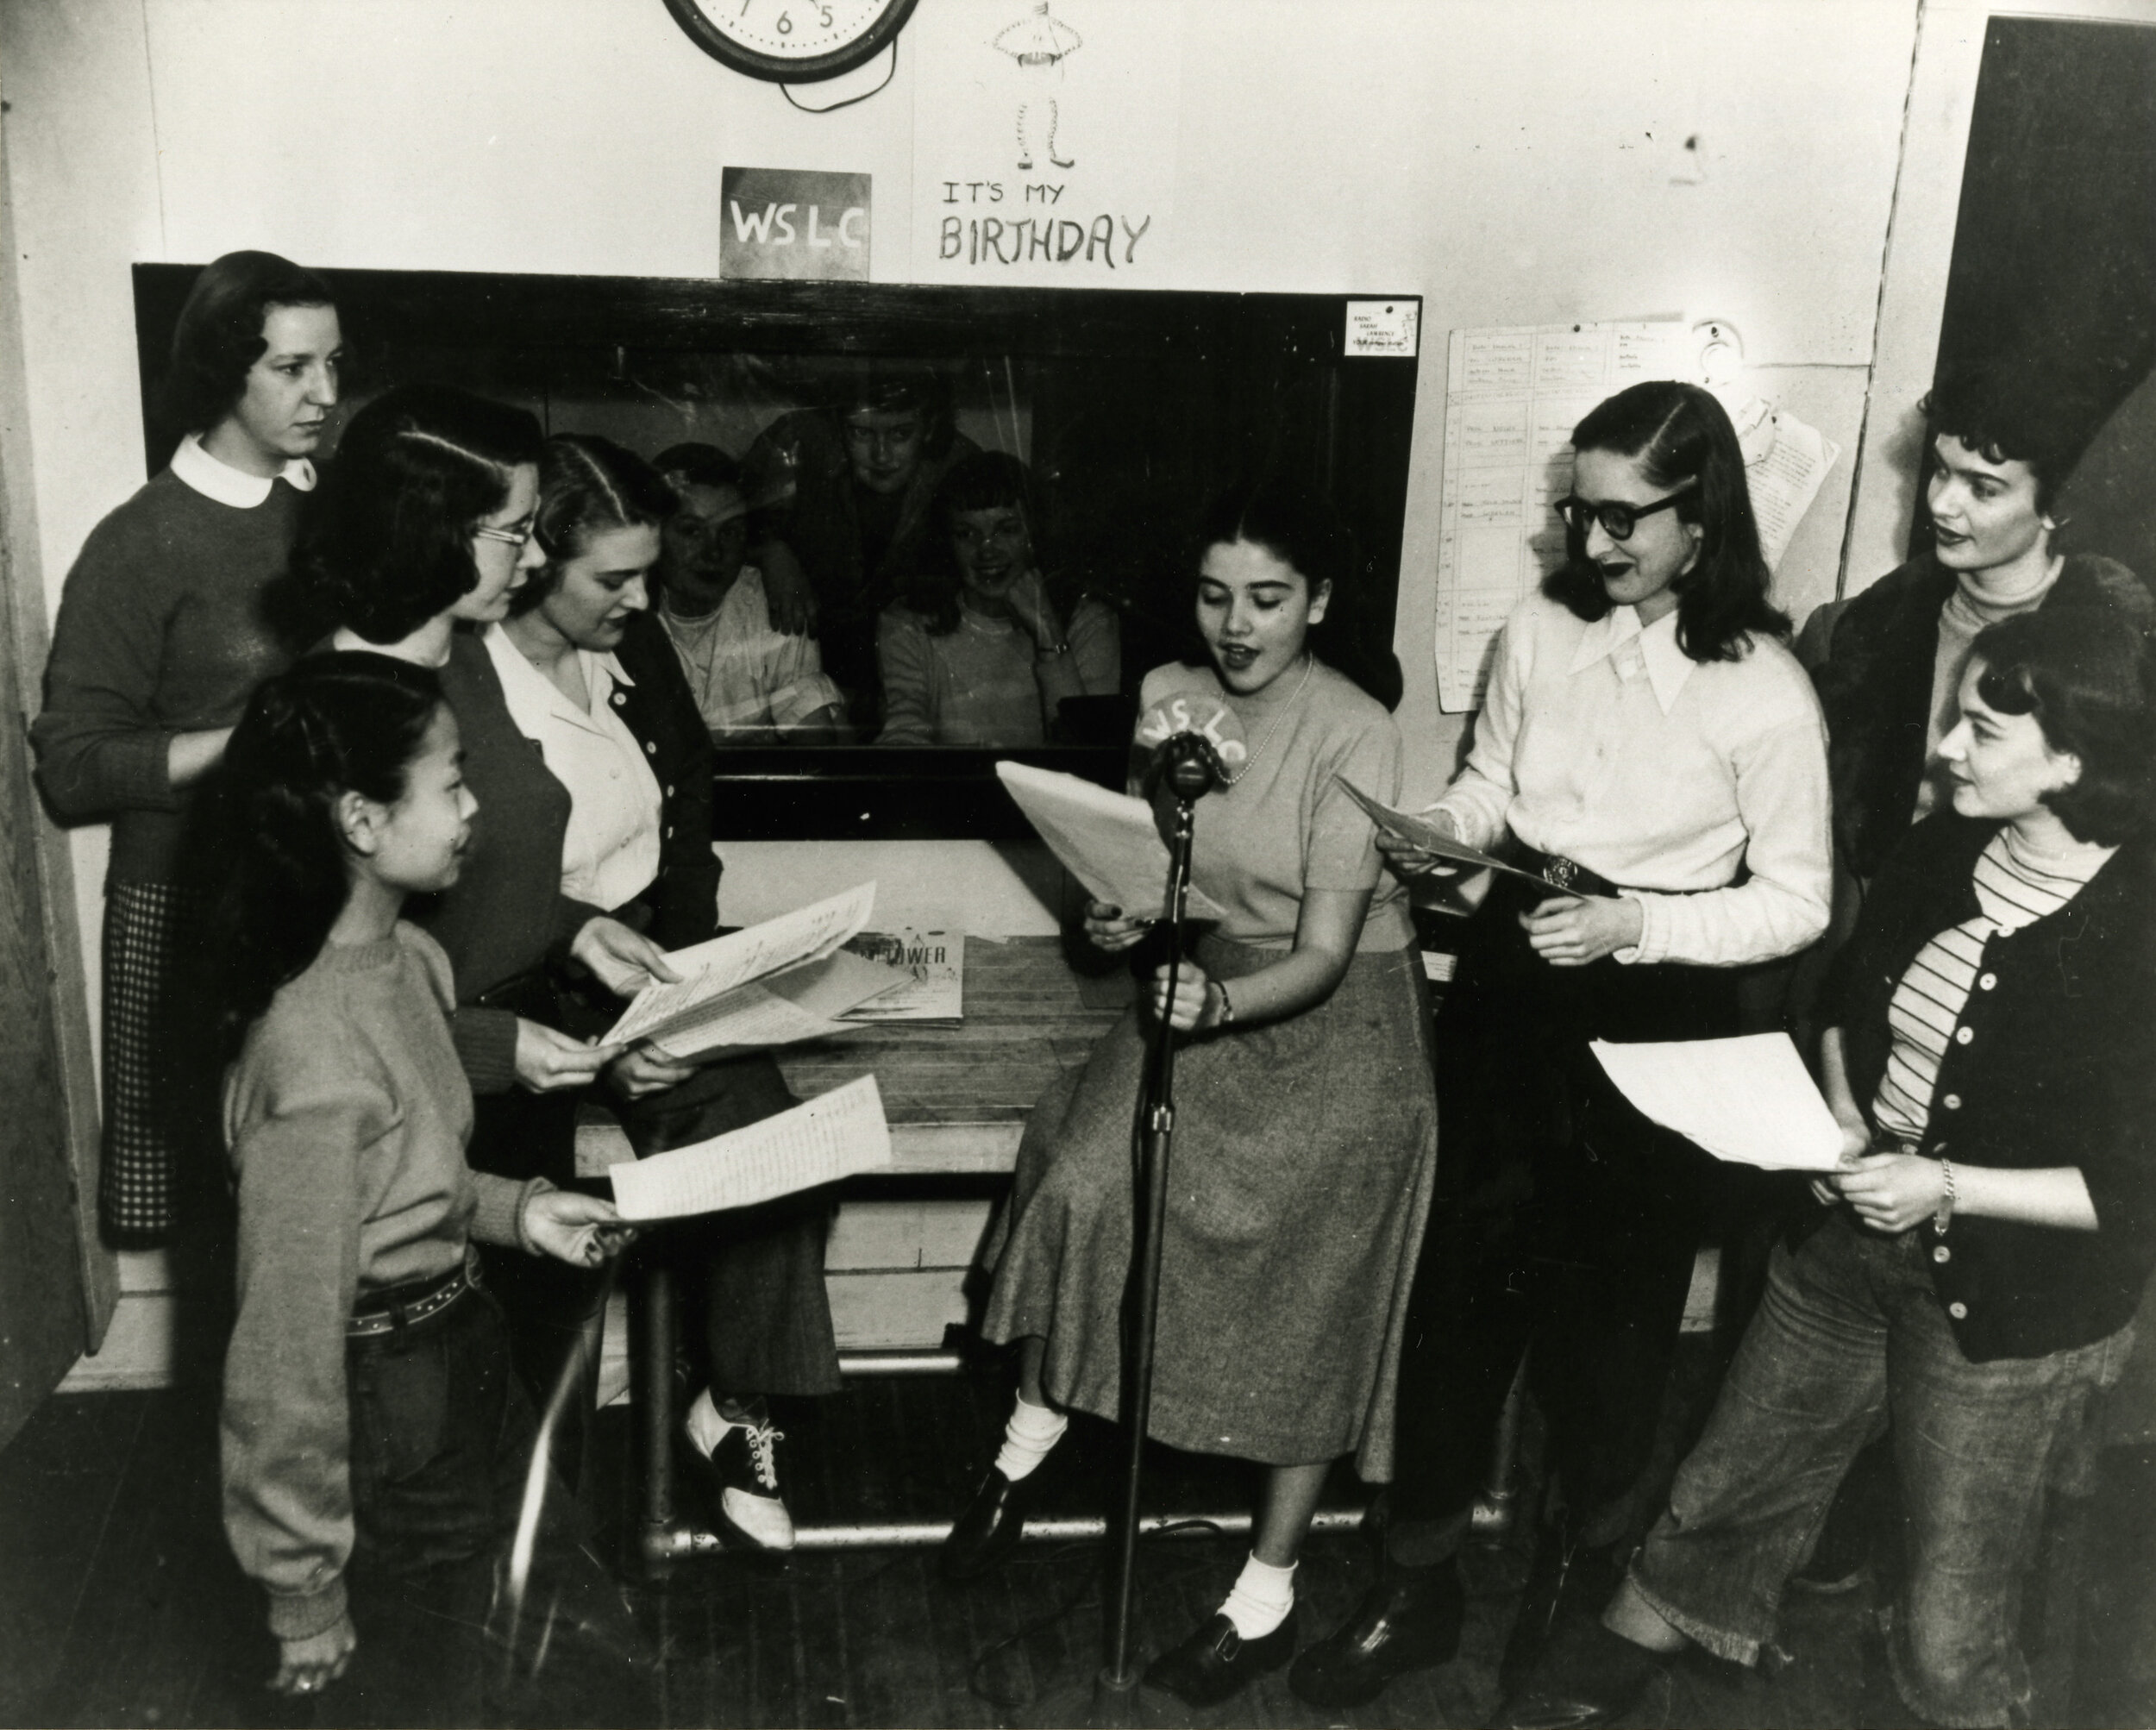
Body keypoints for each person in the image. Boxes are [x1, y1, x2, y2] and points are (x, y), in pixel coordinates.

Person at [1493, 605, 2156, 1730]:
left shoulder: (2137, 922)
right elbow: (1851, 998)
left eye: (1985, 731)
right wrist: (1846, 1113)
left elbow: (2136, 1188)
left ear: (2077, 759)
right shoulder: (1945, 841)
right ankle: (1611, 1661)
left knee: (1953, 1632)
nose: (1948, 746)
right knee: (1724, 1491)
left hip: (2013, 1296)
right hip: (1854, 1237)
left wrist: (1943, 1186)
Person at [1289, 380, 1833, 1710]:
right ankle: (1416, 1583)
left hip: (1655, 1014)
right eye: (1577, 513)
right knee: (1462, 1300)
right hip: (1515, 984)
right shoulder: (1536, 628)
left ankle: (1571, 1580)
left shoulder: (1764, 689)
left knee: (1613, 1327)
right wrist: (1450, 833)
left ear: (1703, 518)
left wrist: (1639, 922)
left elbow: (1801, 897)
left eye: (1623, 520)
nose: (1591, 544)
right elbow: (1492, 781)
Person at [940, 477, 1439, 1710]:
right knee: (1085, 1172)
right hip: (1201, 982)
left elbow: (1322, 954)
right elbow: (1147, 872)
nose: (1238, 623)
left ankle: (1263, 1596)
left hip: (1340, 1020)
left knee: (1307, 1281)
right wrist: (1118, 917)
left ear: (1317, 602)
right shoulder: (1170, 698)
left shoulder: (1355, 727)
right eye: (1217, 595)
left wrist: (1216, 1005)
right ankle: (1033, 1433)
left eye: (1269, 599)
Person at [200, 654, 647, 1725]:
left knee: (573, 1652)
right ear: (360, 818)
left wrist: (517, 1210)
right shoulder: (308, 1055)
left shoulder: (412, 963)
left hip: (463, 1345)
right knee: (444, 1683)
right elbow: (283, 1345)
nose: (473, 805)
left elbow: (411, 1174)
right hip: (380, 1387)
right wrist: (302, 1585)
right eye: (451, 782)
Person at [480, 433, 844, 1547]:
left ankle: (735, 1403)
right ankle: (558, 1516)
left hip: (652, 953)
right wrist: (611, 1025)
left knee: (782, 1139)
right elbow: (482, 906)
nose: (644, 598)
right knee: (548, 1277)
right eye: (614, 577)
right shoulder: (472, 684)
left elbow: (690, 806)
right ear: (538, 555)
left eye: (647, 571)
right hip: (529, 981)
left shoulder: (629, 654)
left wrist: (685, 979)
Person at [33, 249, 340, 1242]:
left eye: (332, 364)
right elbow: (74, 765)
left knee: (329, 1191)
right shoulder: (140, 538)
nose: (324, 393)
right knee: (224, 1218)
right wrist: (250, 739)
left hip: (326, 883)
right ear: (222, 370)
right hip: (186, 903)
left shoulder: (331, 515)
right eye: (292, 368)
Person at [743, 366, 979, 730]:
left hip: (911, 677)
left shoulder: (960, 466)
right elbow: (721, 520)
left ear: (929, 428)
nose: (881, 455)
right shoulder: (797, 441)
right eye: (861, 432)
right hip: (801, 673)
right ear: (839, 425)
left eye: (901, 433)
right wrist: (769, 549)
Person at [876, 448, 1119, 745]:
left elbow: (1089, 753)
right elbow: (904, 730)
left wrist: (1049, 634)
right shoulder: (908, 625)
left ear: (1035, 533)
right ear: (946, 542)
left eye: (1006, 529)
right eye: (966, 533)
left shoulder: (1089, 623)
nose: (987, 549)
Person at [649, 442, 846, 743]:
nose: (713, 553)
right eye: (692, 531)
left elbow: (813, 742)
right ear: (653, 533)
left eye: (729, 532)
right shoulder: (623, 607)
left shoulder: (772, 600)